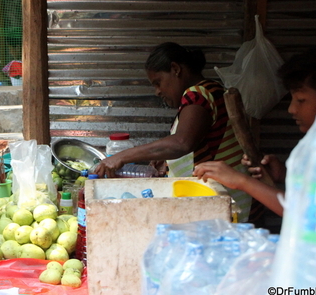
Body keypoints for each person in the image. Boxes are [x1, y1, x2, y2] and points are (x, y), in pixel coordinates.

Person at [194, 46, 316, 216]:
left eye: (301, 100)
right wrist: (284, 174)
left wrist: (241, 181)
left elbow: (308, 212)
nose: (291, 109)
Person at [93, 42, 252, 221]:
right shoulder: (211, 90)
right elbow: (198, 141)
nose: (157, 91)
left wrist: (120, 157)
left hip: (223, 205)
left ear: (175, 69)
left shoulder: (197, 94)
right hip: (227, 201)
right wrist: (168, 160)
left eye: (158, 82)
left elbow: (182, 142)